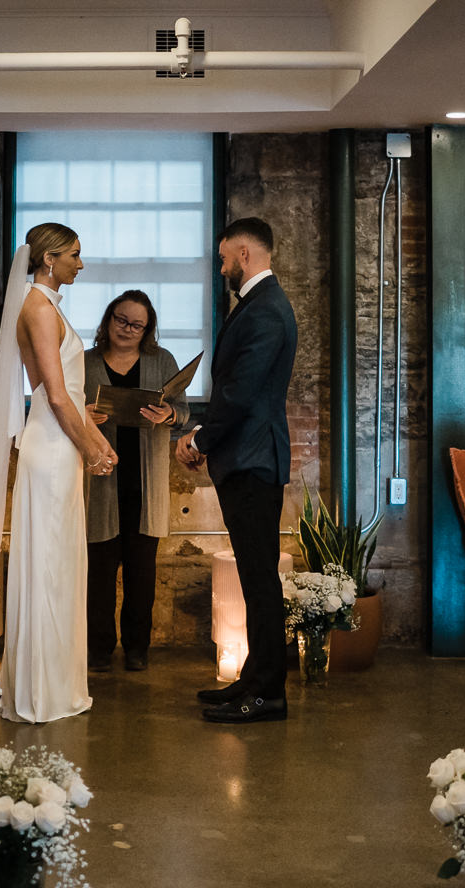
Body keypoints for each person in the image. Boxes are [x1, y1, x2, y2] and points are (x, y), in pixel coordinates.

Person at [0, 223, 117, 724]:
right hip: (52, 448)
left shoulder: (50, 306)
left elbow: (70, 396)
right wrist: (89, 451)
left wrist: (96, 441)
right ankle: (41, 690)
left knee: (61, 564)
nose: (80, 264)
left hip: (61, 443)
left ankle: (59, 682)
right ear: (48, 259)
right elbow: (55, 396)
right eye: (75, 256)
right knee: (48, 565)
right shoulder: (38, 308)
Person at [179, 217, 298, 725]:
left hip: (253, 459)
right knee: (254, 578)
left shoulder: (267, 310)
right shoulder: (257, 305)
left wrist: (201, 438)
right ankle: (252, 680)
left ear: (245, 253)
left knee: (260, 580)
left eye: (225, 256)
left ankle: (268, 693)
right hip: (246, 458)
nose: (222, 265)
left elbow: (242, 392)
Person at [83, 290, 189, 673]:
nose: (127, 329)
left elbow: (183, 411)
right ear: (108, 320)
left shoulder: (162, 361)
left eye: (136, 324)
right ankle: (98, 649)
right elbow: (62, 409)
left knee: (142, 573)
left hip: (146, 482)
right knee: (99, 572)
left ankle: (136, 648)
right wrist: (83, 415)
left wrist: (168, 416)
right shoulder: (85, 361)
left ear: (148, 330)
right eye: (120, 320)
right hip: (99, 482)